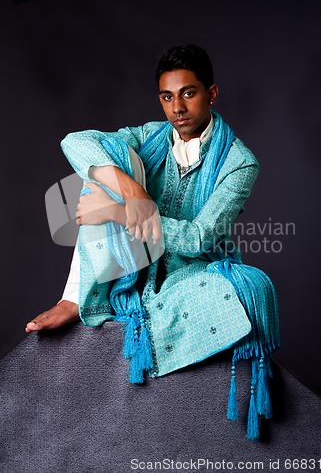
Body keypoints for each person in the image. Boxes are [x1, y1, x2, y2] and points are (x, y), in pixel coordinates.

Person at [25, 45, 279, 438]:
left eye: (188, 93)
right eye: (167, 96)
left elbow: (198, 237)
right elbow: (75, 141)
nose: (177, 107)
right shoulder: (151, 136)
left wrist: (117, 211)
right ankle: (75, 297)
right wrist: (128, 188)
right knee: (104, 168)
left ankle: (134, 311)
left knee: (247, 288)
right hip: (137, 260)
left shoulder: (239, 162)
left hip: (192, 272)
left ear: (211, 93)